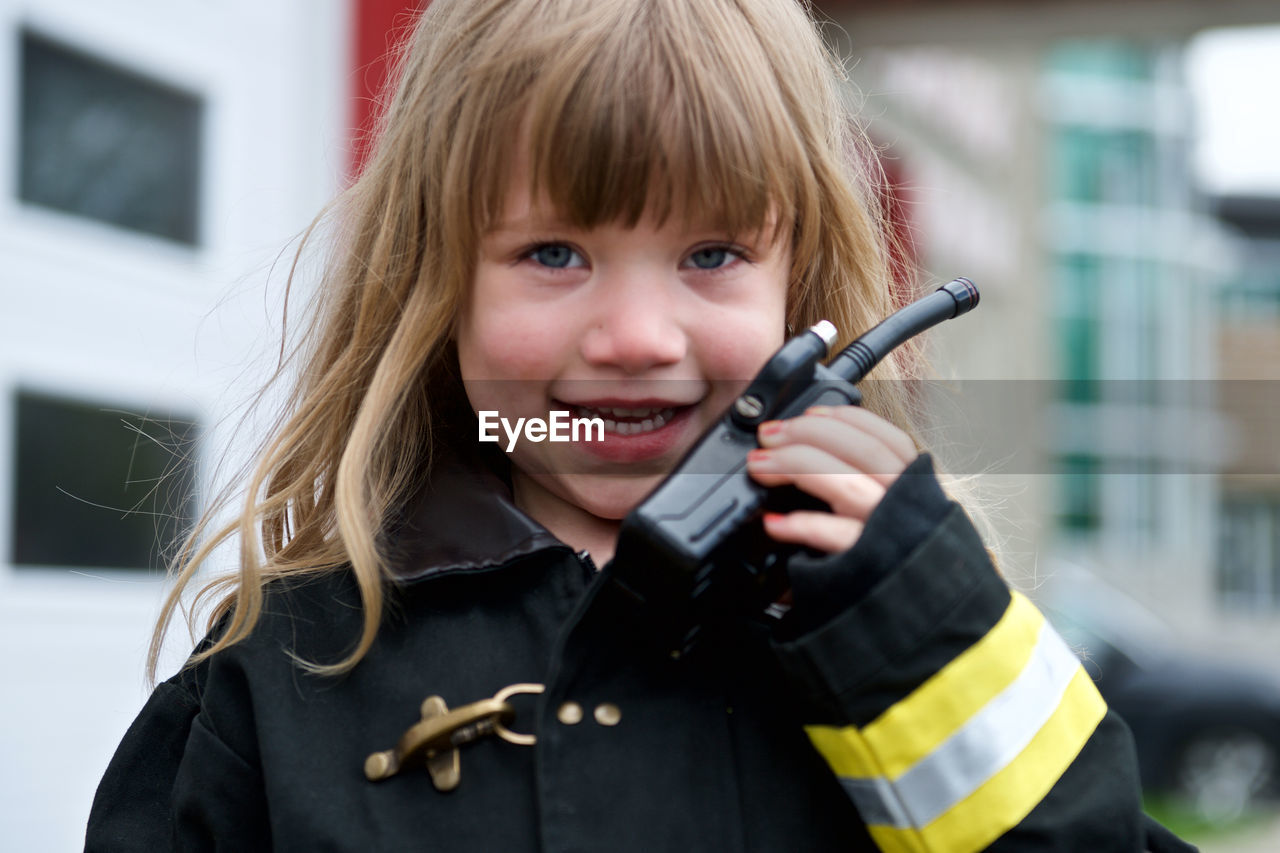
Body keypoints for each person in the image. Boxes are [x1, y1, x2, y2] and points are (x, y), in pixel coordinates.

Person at [86, 0, 1195, 850]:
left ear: (796, 289)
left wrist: (935, 641)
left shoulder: (913, 629)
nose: (634, 336)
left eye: (711, 256)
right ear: (438, 288)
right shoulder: (284, 670)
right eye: (552, 254)